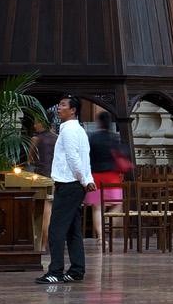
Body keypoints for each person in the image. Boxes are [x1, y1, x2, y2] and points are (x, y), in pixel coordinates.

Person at [37, 94, 93, 284]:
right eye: (59, 105)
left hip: (69, 184)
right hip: (76, 184)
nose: (58, 108)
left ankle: (55, 271)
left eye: (62, 105)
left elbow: (73, 158)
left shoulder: (69, 131)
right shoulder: (79, 130)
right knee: (72, 229)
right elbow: (86, 157)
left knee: (56, 229)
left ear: (73, 110)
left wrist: (84, 179)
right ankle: (76, 270)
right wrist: (87, 179)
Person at [85, 112, 126, 247]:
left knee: (97, 208)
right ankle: (108, 223)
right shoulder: (114, 138)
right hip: (112, 177)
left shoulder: (92, 137)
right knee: (117, 206)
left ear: (99, 122)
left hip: (95, 176)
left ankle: (101, 238)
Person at [28, 110, 58, 253]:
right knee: (53, 212)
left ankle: (42, 245)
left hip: (42, 179)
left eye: (36, 122)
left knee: (45, 213)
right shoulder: (58, 138)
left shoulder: (36, 139)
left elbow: (29, 159)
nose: (34, 125)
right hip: (58, 179)